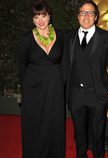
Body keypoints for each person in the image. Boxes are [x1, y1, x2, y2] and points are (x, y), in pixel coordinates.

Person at [63, 0, 108, 158]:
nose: (86, 16)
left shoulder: (106, 37)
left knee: (97, 135)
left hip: (97, 95)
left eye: (90, 13)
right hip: (75, 95)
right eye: (82, 13)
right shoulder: (69, 37)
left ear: (96, 17)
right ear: (78, 16)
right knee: (79, 134)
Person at [18, 0, 65, 158]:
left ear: (49, 17)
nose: (40, 20)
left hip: (55, 87)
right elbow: (22, 66)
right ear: (32, 19)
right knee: (35, 124)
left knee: (54, 123)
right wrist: (24, 91)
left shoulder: (60, 36)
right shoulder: (26, 39)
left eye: (43, 15)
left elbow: (65, 61)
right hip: (33, 89)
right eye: (36, 16)